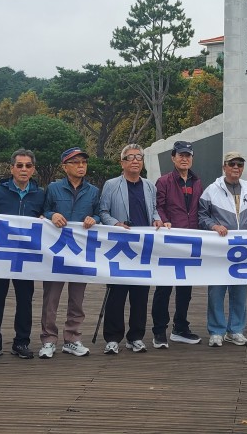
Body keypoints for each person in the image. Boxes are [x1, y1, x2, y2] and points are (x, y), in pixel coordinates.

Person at [0, 149, 47, 361]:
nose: (24, 169)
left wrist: (46, 217)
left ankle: (21, 342)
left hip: (26, 256)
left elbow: (46, 215)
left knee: (25, 300)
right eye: (19, 165)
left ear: (33, 169)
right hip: (2, 255)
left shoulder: (40, 194)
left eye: (28, 166)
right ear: (12, 168)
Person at [98, 143, 165, 355]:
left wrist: (156, 219)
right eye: (131, 157)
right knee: (116, 295)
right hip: (119, 246)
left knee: (140, 295)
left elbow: (154, 210)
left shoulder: (149, 186)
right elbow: (103, 212)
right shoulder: (111, 185)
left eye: (139, 157)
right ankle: (112, 338)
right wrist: (116, 223)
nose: (135, 161)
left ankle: (136, 337)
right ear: (122, 162)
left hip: (142, 247)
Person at [38, 146, 100, 359]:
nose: (81, 166)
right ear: (64, 167)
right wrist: (52, 215)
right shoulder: (53, 188)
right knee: (51, 298)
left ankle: (72, 338)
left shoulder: (93, 191)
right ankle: (48, 340)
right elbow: (43, 211)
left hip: (80, 252)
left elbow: (99, 214)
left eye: (84, 162)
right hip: (56, 252)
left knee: (77, 299)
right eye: (76, 162)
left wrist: (94, 219)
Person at [199, 151, 247, 347]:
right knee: (216, 291)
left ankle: (235, 330)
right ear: (224, 167)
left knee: (240, 291)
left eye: (240, 164)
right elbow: (201, 215)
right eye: (232, 164)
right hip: (219, 248)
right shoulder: (211, 190)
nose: (236, 167)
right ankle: (216, 331)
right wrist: (214, 226)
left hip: (242, 248)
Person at [151, 141, 204, 349]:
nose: (184, 159)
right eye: (181, 155)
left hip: (190, 242)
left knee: (185, 289)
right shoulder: (164, 181)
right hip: (169, 242)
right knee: (163, 288)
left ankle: (180, 328)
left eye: (188, 155)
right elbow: (158, 206)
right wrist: (164, 221)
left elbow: (200, 209)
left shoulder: (197, 182)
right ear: (173, 158)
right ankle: (159, 331)